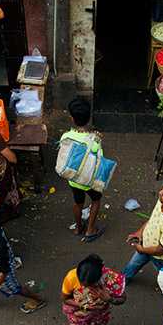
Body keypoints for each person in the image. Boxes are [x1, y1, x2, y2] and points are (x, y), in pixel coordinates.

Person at [60, 254, 126, 325]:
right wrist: (84, 307)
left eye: (89, 285)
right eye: (81, 283)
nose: (83, 286)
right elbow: (65, 299)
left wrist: (110, 299)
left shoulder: (110, 278)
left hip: (99, 317)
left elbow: (123, 299)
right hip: (79, 316)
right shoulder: (71, 277)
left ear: (99, 278)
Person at [61, 97, 105, 242]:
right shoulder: (95, 139)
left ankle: (78, 227)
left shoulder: (66, 136)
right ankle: (90, 230)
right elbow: (99, 159)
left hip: (73, 179)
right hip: (90, 181)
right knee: (96, 200)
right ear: (89, 117)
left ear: (72, 119)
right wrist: (97, 139)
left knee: (78, 202)